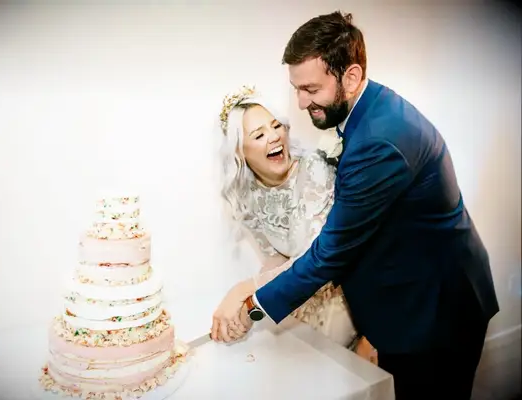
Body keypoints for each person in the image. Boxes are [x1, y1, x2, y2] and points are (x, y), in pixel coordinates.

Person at [210, 11, 499, 399]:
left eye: (311, 89)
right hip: (413, 295)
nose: (300, 102)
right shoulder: (371, 110)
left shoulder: (376, 144)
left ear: (350, 76)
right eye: (296, 89)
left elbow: (331, 254)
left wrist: (252, 304)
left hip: (433, 312)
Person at [214, 85, 377, 362]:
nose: (274, 137)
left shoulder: (316, 170)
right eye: (259, 135)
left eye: (276, 126)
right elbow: (277, 258)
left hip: (349, 294)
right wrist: (247, 306)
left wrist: (243, 290)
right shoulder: (247, 195)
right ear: (240, 152)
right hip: (299, 296)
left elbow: (313, 259)